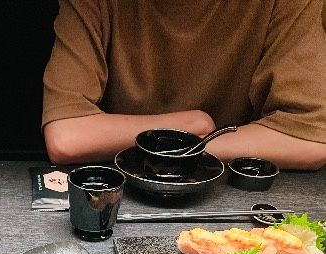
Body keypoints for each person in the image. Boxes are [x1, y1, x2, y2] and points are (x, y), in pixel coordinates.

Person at [42, 0, 326, 170]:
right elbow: (66, 138)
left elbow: (311, 140)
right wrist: (190, 126)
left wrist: (193, 146)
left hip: (235, 194)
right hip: (123, 190)